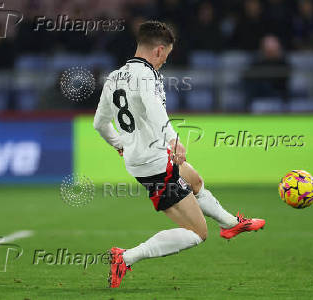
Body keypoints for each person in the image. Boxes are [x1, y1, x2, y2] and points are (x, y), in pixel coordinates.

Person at [93, 21, 265, 288]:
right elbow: (154, 109)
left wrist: (120, 144)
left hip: (147, 158)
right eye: (166, 56)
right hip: (155, 165)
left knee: (194, 181)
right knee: (198, 233)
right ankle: (125, 257)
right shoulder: (147, 76)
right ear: (159, 51)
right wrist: (174, 140)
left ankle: (232, 223)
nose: (164, 62)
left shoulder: (114, 77)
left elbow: (99, 124)